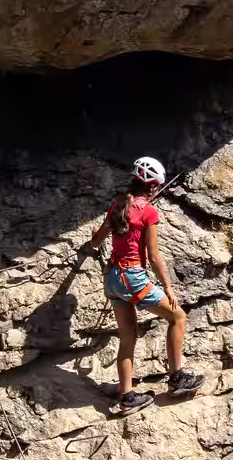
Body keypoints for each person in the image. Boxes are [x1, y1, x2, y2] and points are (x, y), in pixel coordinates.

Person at [80, 156, 204, 413]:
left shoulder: (117, 205)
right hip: (132, 277)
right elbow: (154, 254)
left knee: (128, 336)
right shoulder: (148, 211)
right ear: (153, 187)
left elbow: (96, 241)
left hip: (113, 278)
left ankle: (127, 397)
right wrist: (167, 286)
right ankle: (177, 378)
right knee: (178, 317)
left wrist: (95, 237)